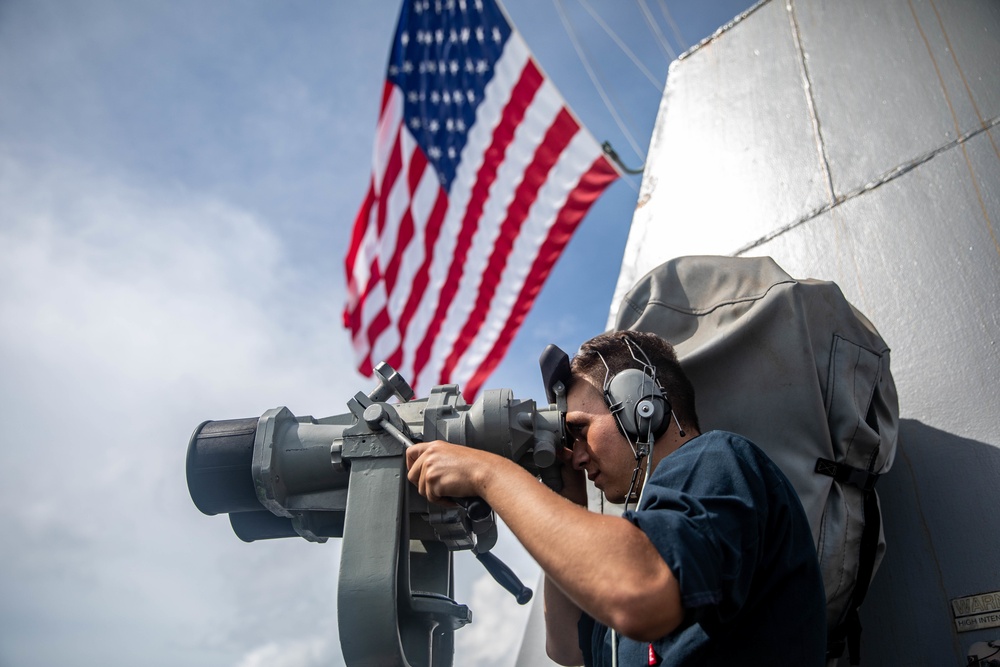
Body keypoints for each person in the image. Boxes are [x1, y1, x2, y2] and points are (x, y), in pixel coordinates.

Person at [405, 330, 826, 666]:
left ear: (641, 405)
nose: (577, 454)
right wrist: (566, 496)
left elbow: (638, 592)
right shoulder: (650, 531)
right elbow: (567, 648)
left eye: (581, 429)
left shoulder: (714, 459)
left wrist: (487, 474)